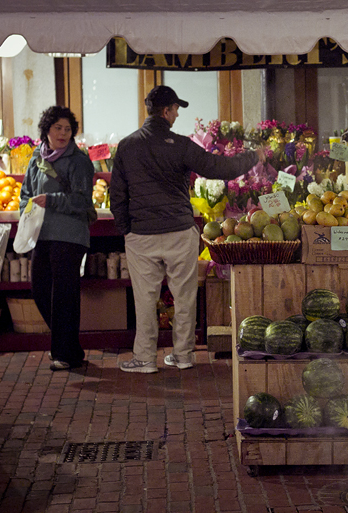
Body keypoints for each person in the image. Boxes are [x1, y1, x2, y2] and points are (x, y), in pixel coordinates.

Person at [111, 85, 264, 373]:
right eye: (176, 110)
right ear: (167, 111)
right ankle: (183, 356)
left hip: (141, 235)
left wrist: (126, 229)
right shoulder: (180, 145)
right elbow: (220, 168)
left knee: (144, 299)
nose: (177, 115)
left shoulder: (127, 146)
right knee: (184, 296)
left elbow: (117, 193)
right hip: (179, 231)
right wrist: (253, 157)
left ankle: (144, 359)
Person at [19, 106, 94, 371]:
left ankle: (63, 352)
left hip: (69, 235)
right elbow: (26, 194)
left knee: (64, 294)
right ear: (46, 130)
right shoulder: (36, 159)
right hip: (42, 235)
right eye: (57, 128)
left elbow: (83, 200)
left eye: (67, 129)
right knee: (39, 289)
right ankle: (69, 347)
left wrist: (52, 200)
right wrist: (25, 216)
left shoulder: (79, 161)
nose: (63, 133)